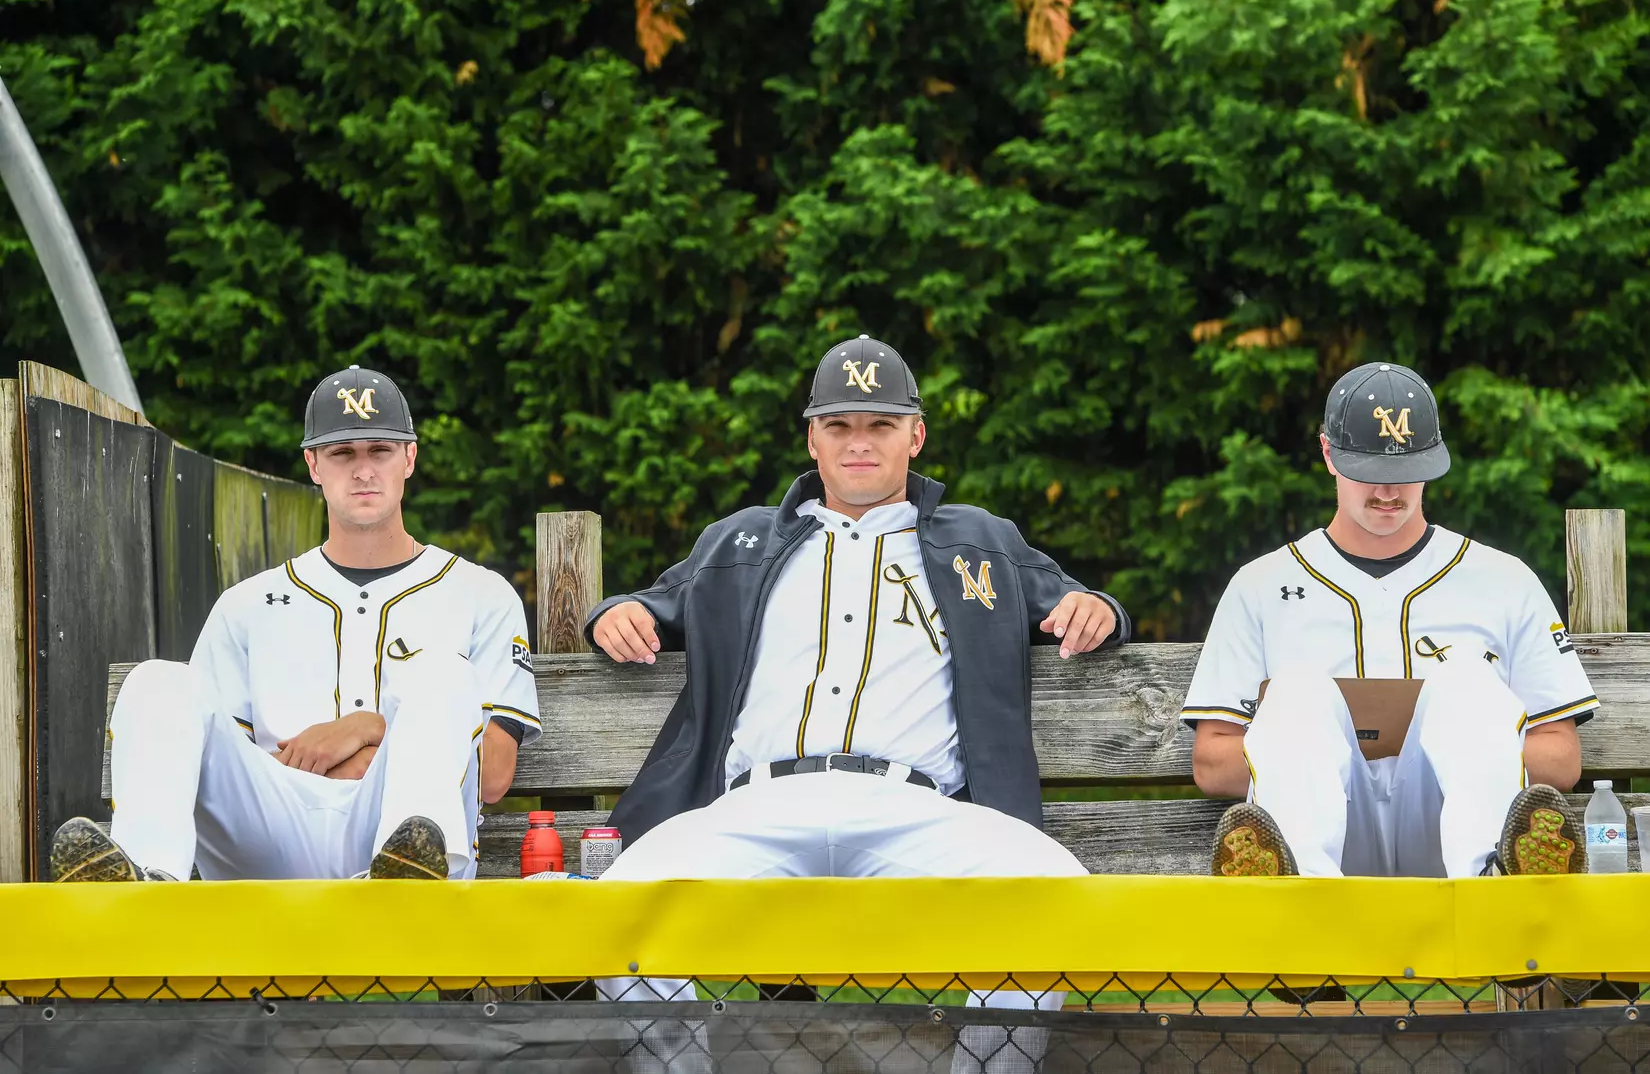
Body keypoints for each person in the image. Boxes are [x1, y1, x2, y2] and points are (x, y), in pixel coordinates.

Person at [586, 335, 1128, 1069]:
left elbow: (1073, 599)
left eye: (879, 425)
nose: (859, 443)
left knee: (1056, 895)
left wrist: (1096, 609)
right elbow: (655, 601)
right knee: (612, 909)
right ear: (813, 438)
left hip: (913, 811)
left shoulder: (980, 540)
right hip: (757, 809)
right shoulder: (740, 540)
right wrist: (619, 614)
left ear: (916, 433)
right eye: (839, 426)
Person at [50, 366, 541, 883]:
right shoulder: (247, 604)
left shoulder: (482, 594)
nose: (363, 470)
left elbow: (492, 775)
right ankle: (145, 887)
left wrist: (362, 729)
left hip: (401, 837)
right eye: (342, 453)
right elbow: (211, 776)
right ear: (313, 464)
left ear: (409, 458)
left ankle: (404, 890)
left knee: (442, 670)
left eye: (380, 450)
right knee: (156, 679)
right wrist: (376, 755)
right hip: (272, 835)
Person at [1184, 362, 1596, 879]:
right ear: (1328, 454)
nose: (1387, 493)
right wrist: (1310, 754)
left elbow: (1562, 758)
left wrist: (1464, 748)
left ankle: (1490, 887)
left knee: (1466, 680)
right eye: (1369, 473)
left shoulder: (1504, 579)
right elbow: (1210, 761)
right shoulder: (1260, 585)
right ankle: (1296, 899)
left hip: (1449, 822)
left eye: (1404, 473)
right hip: (1314, 825)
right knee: (1297, 692)